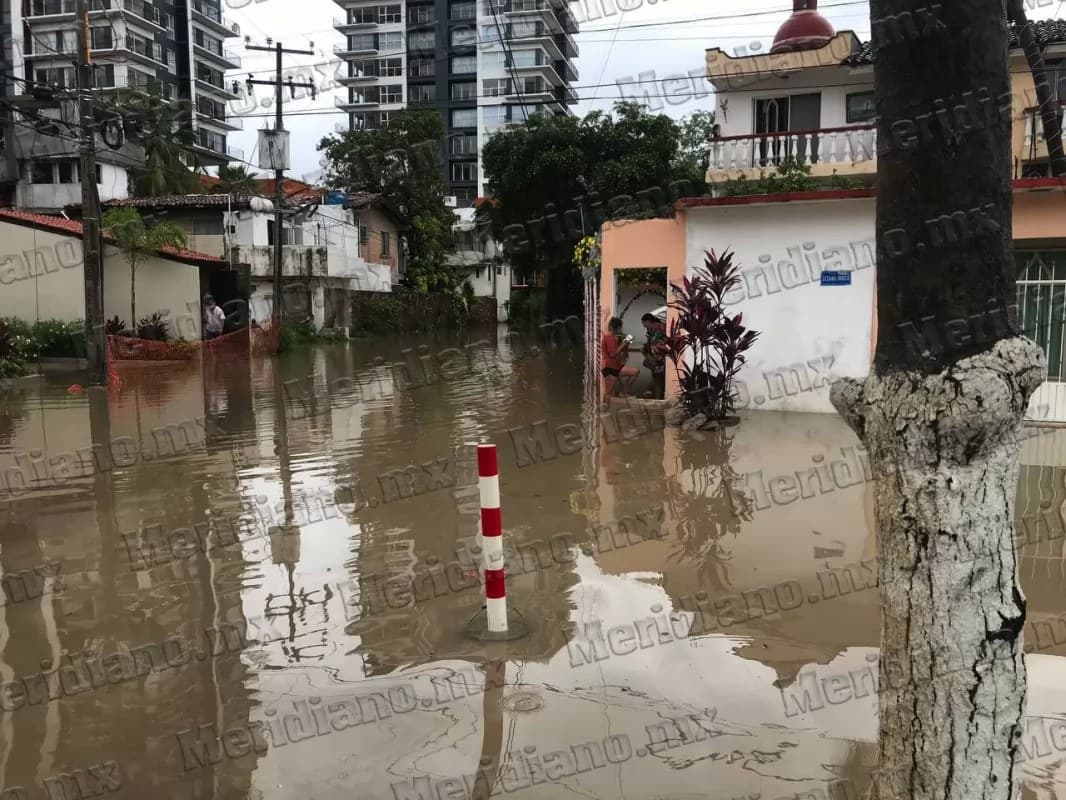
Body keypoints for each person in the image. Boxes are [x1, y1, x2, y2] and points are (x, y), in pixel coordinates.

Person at [600, 317, 638, 410]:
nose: (621, 330)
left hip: (616, 367)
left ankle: (624, 392)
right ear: (616, 328)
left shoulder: (613, 338)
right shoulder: (609, 338)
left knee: (635, 371)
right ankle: (604, 410)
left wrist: (625, 345)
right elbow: (612, 354)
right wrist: (624, 344)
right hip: (609, 367)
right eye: (620, 328)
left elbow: (621, 354)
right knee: (608, 391)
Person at [641, 312, 668, 400]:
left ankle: (657, 399)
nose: (644, 326)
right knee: (657, 379)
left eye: (644, 324)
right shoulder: (652, 330)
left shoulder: (662, 328)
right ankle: (656, 397)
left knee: (658, 380)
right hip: (654, 359)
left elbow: (665, 342)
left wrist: (656, 347)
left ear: (648, 321)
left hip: (660, 360)